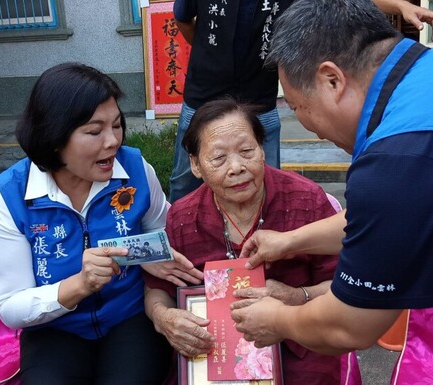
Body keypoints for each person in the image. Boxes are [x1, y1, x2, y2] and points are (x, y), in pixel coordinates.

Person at [230, 0, 433, 383]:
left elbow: (351, 326)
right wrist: (289, 242)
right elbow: (388, 224)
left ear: (332, 80)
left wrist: (277, 319)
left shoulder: (396, 158)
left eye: (297, 106)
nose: (311, 129)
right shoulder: (420, 77)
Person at [144, 97, 360, 385]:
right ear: (195, 165)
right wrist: (165, 318)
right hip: (216, 349)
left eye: (247, 151)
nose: (236, 167)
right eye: (219, 158)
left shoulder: (305, 200)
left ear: (262, 149)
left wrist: (297, 297)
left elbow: (345, 285)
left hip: (298, 340)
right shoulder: (183, 217)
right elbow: (157, 290)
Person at [0, 63, 172, 385]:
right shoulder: (9, 195)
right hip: (55, 329)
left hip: (130, 316)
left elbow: (164, 238)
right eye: (94, 131)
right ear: (54, 136)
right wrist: (80, 285)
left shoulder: (136, 169)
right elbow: (11, 306)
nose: (113, 141)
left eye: (116, 125)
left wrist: (142, 255)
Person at [168, 0, 433, 203]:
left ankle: (266, 242)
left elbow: (340, 4)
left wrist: (398, 5)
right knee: (185, 178)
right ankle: (178, 237)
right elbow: (183, 18)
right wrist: (213, 54)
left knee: (269, 179)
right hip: (205, 91)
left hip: (259, 96)